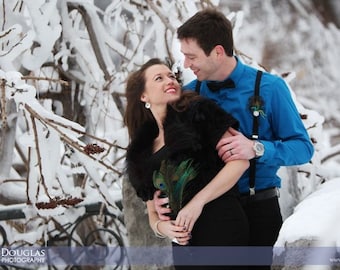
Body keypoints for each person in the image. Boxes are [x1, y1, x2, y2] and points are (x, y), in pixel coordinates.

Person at [153, 8, 315, 269]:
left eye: (191, 56)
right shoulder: (188, 96)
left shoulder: (270, 88)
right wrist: (159, 206)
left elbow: (303, 148)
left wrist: (257, 148)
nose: (185, 65)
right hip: (206, 215)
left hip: (258, 212)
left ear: (217, 51)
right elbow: (168, 157)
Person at [124, 58, 250, 269]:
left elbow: (239, 162)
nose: (169, 80)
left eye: (171, 76)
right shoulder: (142, 149)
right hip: (185, 245)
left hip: (222, 225)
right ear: (143, 96)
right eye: (159, 78)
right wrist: (164, 228)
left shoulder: (200, 113)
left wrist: (196, 203)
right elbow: (153, 215)